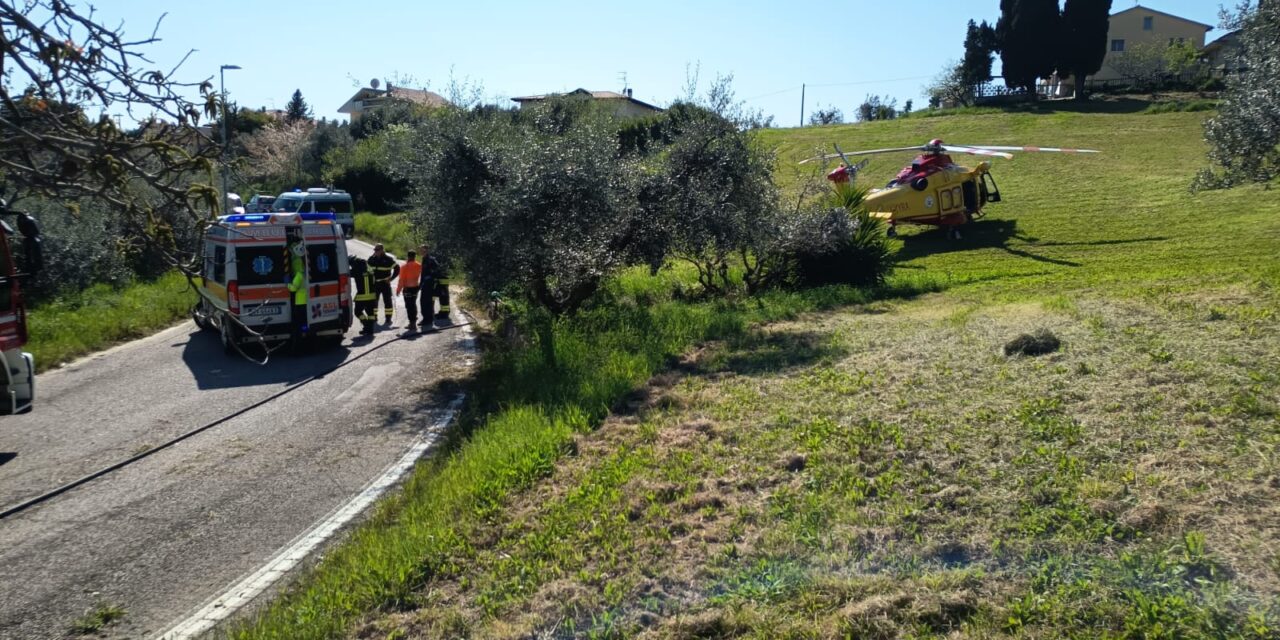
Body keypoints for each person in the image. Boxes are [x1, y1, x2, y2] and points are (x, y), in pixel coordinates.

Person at [366, 243, 399, 325]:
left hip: (385, 284)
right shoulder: (371, 259)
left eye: (377, 250)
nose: (375, 251)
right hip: (375, 284)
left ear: (381, 250)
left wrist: (391, 279)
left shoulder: (388, 259)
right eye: (374, 250)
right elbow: (366, 268)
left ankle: (388, 318)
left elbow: (397, 269)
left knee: (387, 301)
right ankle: (374, 317)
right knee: (373, 302)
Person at [417, 244, 450, 324]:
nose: (421, 252)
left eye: (423, 250)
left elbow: (437, 270)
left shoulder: (430, 260)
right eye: (421, 250)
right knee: (424, 302)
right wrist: (421, 284)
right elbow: (424, 273)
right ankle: (427, 318)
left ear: (427, 250)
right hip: (425, 285)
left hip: (429, 285)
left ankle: (427, 319)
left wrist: (430, 277)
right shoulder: (424, 259)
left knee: (426, 302)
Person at [285, 239, 309, 335]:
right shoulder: (305, 274)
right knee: (305, 318)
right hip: (307, 299)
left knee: (301, 319)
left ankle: (303, 332)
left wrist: (287, 283)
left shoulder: (298, 275)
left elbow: (293, 288)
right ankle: (305, 331)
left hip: (300, 300)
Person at [395, 250, 422, 331]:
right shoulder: (419, 265)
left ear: (408, 256)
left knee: (409, 305)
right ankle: (413, 320)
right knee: (413, 304)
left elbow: (401, 280)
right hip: (416, 288)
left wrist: (398, 290)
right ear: (415, 256)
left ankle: (412, 323)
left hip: (407, 289)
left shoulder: (404, 267)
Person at [349, 256, 376, 335]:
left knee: (357, 311)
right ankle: (370, 329)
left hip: (362, 295)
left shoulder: (356, 269)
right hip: (372, 295)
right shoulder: (369, 267)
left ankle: (366, 325)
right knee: (370, 313)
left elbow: (347, 274)